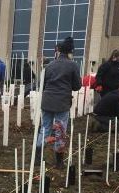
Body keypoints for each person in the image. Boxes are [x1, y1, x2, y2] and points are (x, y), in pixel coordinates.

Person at [36, 37, 82, 168]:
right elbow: (77, 86)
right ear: (70, 51)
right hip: (62, 102)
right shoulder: (73, 65)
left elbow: (42, 84)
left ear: (59, 51)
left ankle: (37, 157)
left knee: (44, 128)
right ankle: (59, 162)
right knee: (60, 130)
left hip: (47, 101)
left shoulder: (49, 65)